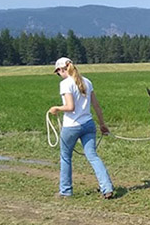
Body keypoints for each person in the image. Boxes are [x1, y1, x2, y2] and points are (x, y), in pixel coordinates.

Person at [49, 57, 114, 198]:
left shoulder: (65, 84)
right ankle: (107, 187)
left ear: (61, 69)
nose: (58, 74)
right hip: (88, 124)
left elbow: (70, 107)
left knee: (65, 157)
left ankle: (65, 191)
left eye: (58, 72)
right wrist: (102, 124)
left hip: (71, 126)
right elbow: (96, 106)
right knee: (93, 156)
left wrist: (56, 109)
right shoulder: (87, 82)